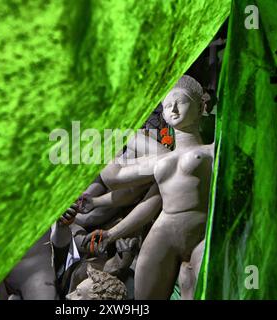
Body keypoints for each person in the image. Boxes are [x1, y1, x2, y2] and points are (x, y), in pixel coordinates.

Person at [87, 75, 214, 299]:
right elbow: (114, 177)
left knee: (201, 290)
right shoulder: (161, 159)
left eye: (180, 101)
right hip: (164, 231)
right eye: (166, 105)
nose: (173, 108)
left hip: (201, 230)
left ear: (201, 106)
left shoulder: (213, 150)